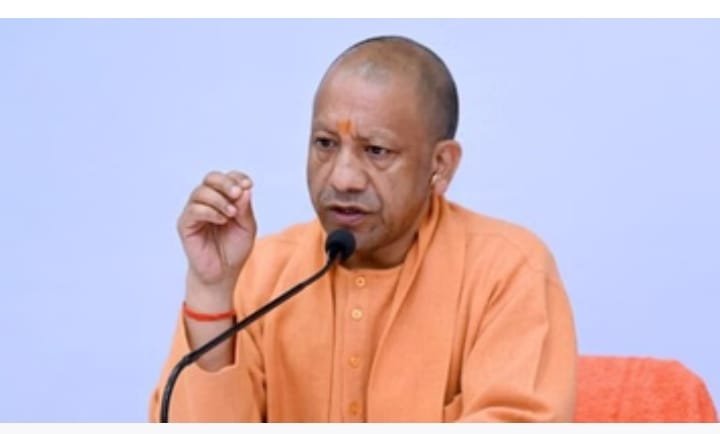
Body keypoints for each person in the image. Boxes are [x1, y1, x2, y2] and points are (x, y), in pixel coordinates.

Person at [149, 35, 577, 422]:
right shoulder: (260, 273)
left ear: (440, 165)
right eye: (325, 144)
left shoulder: (506, 270)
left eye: (376, 151)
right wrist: (212, 293)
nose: (343, 178)